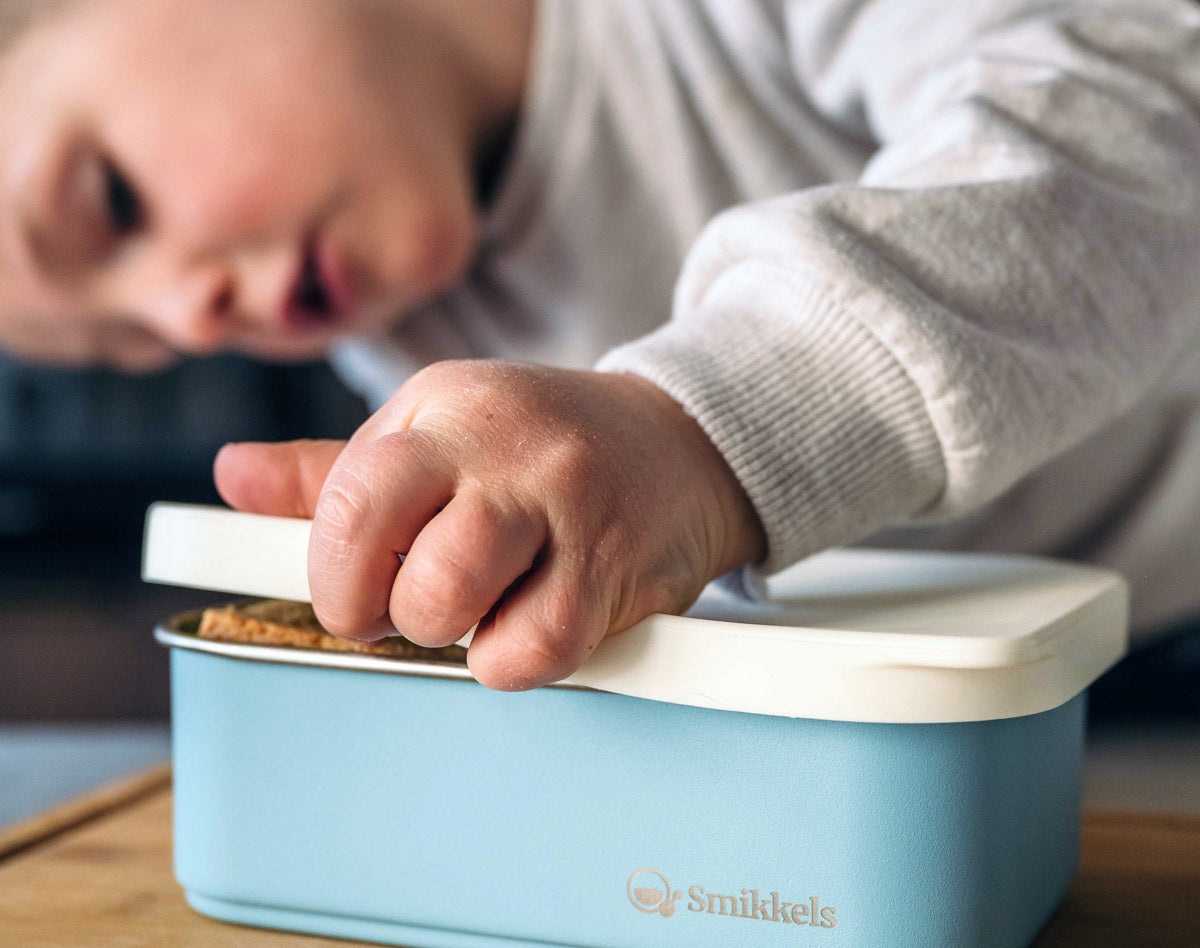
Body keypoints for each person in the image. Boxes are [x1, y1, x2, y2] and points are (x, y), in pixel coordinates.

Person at [3, 0, 1200, 694]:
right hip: (1043, 697)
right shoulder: (406, 342)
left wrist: (696, 434)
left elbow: (1133, 133)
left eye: (112, 201)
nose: (184, 320)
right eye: (127, 347)